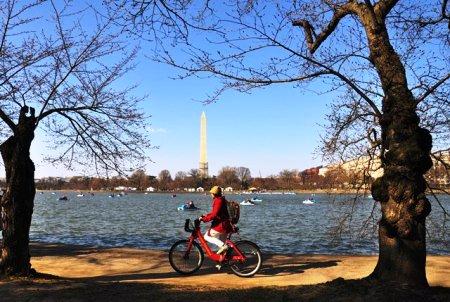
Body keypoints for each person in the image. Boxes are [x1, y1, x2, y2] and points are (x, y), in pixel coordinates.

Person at [199, 186, 233, 256]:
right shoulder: (222, 199)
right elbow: (215, 213)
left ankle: (224, 246)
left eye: (211, 193)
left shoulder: (218, 201)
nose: (211, 194)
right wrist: (205, 216)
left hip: (221, 225)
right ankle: (221, 263)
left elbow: (214, 214)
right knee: (221, 247)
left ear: (214, 194)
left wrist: (204, 219)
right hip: (226, 224)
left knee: (206, 236)